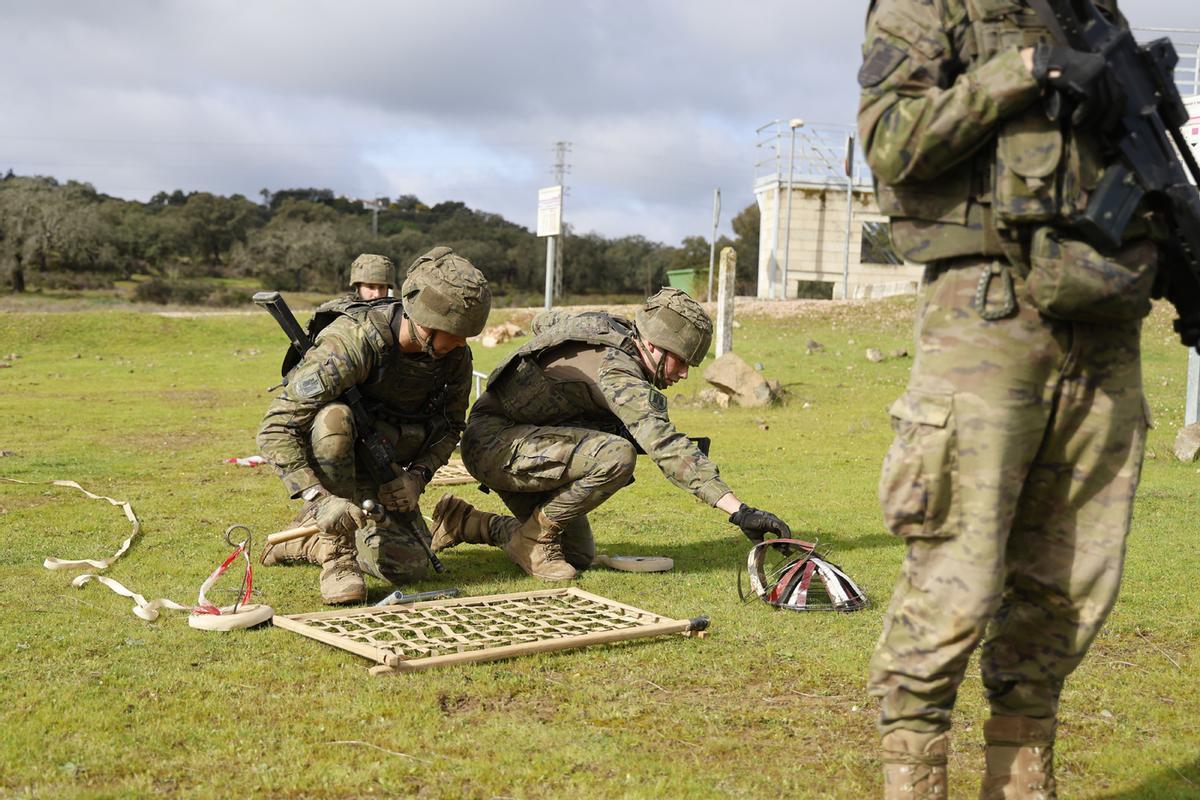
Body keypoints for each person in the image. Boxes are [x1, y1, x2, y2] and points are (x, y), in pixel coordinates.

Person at [859, 1, 1158, 796]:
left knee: (1067, 591)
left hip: (1105, 326)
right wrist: (1025, 72)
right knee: (955, 577)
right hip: (986, 315)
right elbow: (890, 138)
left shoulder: (1095, 11)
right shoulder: (935, 5)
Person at [429, 288, 792, 580]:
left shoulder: (607, 328)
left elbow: (545, 322)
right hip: (494, 443)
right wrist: (738, 511)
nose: (683, 374)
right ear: (653, 345)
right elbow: (663, 442)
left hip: (527, 443)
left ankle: (465, 522)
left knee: (578, 555)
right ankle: (536, 538)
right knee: (617, 455)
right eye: (680, 361)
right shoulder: (618, 372)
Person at [257, 246, 491, 604]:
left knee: (407, 566)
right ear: (424, 319)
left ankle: (302, 539)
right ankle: (335, 554)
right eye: (452, 333)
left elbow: (450, 427)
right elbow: (276, 427)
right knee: (333, 420)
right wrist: (319, 500)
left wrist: (416, 478)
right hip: (337, 460)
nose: (460, 344)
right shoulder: (353, 340)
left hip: (388, 469)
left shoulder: (453, 355)